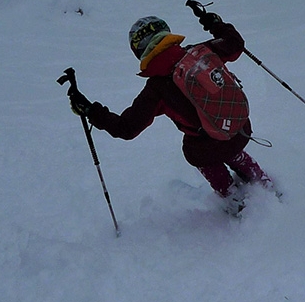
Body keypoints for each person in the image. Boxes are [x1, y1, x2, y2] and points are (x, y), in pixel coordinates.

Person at [67, 11, 272, 212]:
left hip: (207, 148)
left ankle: (234, 201)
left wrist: (90, 110)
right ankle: (264, 184)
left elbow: (126, 128)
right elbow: (235, 44)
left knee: (197, 150)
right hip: (239, 128)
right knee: (228, 147)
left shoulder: (156, 88)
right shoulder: (202, 51)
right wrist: (214, 23)